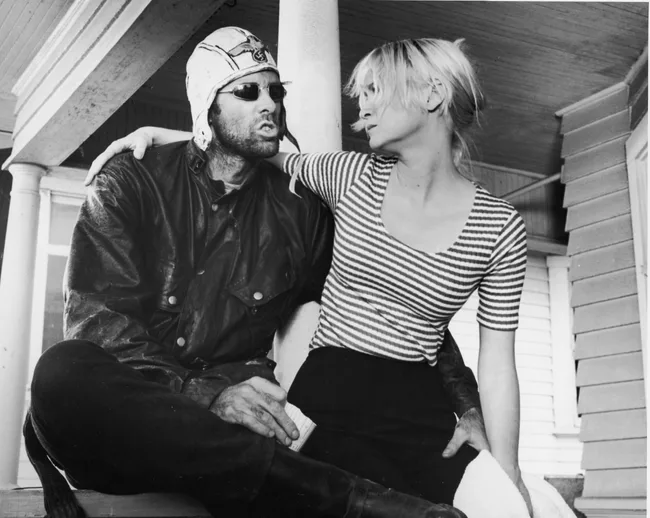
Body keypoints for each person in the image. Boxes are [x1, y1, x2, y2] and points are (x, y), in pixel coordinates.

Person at [24, 27, 486, 518]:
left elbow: (391, 302)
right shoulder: (131, 180)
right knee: (61, 371)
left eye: (276, 91)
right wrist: (207, 396)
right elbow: (99, 325)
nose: (270, 104)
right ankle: (351, 502)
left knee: (366, 442)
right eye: (248, 91)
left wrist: (467, 403)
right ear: (208, 105)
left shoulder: (300, 212)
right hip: (130, 429)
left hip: (240, 436)